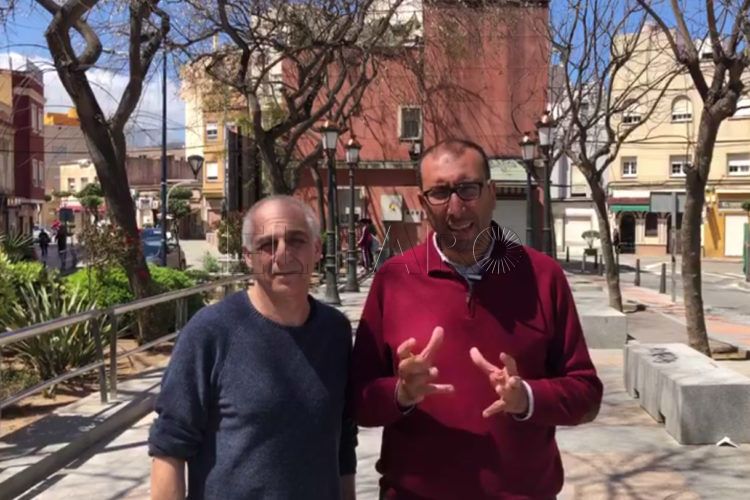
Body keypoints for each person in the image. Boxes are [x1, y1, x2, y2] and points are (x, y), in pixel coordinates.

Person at [349, 139, 603, 499]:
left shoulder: (543, 276)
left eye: (468, 189)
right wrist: (400, 393)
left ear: (492, 193)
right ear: (423, 203)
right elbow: (358, 401)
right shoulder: (393, 279)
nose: (456, 208)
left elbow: (586, 395)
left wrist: (528, 397)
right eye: (439, 193)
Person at [149, 195, 357, 500]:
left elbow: (343, 438)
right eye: (267, 244)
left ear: (317, 248)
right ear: (248, 257)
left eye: (296, 240)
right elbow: (170, 446)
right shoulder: (211, 331)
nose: (283, 254)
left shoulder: (335, 331)